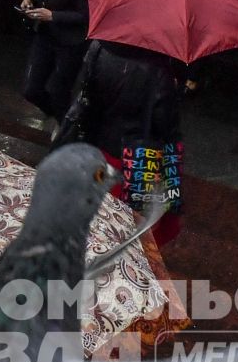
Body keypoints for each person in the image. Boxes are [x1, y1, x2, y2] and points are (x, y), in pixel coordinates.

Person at [57, 40, 185, 246]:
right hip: (135, 159)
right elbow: (164, 125)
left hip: (96, 146)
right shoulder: (160, 68)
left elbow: (85, 91)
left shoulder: (99, 48)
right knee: (130, 228)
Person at [18, 0, 91, 122]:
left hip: (69, 41)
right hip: (45, 35)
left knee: (60, 90)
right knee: (31, 90)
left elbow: (85, 16)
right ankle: (61, 116)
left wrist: (53, 16)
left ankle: (65, 126)